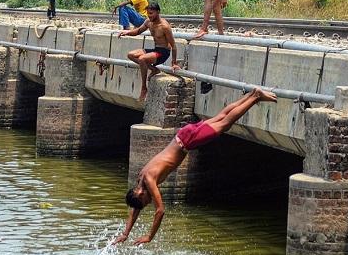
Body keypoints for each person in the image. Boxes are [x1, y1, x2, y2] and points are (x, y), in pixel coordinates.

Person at [113, 87, 278, 245]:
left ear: (140, 194)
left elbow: (160, 211)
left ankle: (256, 97)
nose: (149, 203)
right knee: (221, 116)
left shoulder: (149, 180)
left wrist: (150, 236)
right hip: (184, 134)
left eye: (146, 202)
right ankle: (251, 95)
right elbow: (135, 209)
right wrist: (125, 234)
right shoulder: (141, 179)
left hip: (187, 141)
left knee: (226, 123)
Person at [119, 2, 180, 101]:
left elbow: (174, 46)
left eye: (151, 13)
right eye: (148, 13)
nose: (149, 16)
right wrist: (126, 32)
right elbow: (138, 31)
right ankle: (154, 69)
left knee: (142, 59)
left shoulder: (164, 26)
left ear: (158, 12)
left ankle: (143, 88)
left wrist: (174, 63)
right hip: (155, 49)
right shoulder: (148, 22)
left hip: (163, 53)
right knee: (131, 55)